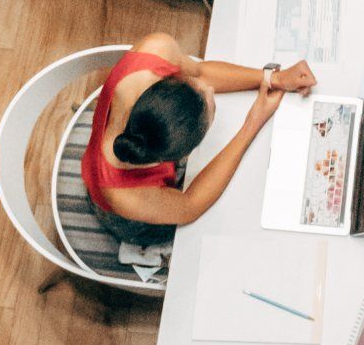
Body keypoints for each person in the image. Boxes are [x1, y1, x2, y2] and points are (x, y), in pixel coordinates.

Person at [81, 31, 316, 242]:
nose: (210, 89)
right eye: (210, 108)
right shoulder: (124, 196)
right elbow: (190, 206)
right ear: (179, 158)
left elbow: (201, 73)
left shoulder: (156, 50)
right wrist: (252, 124)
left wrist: (272, 78)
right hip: (123, 213)